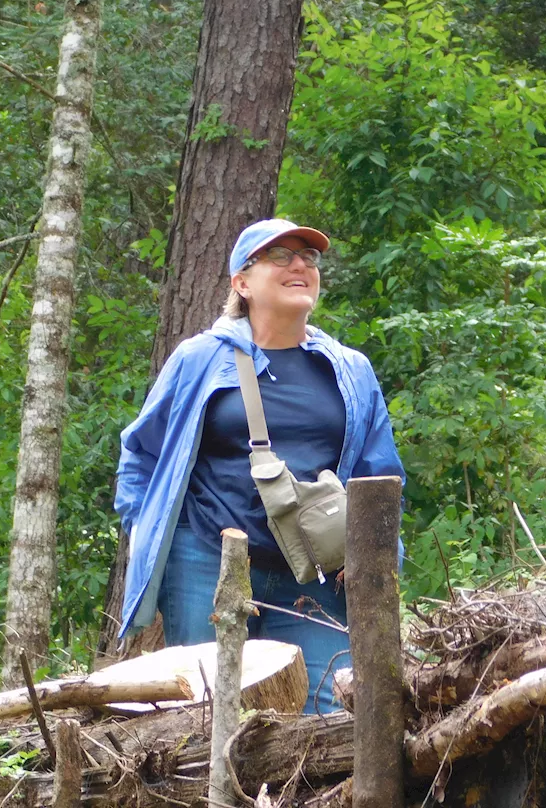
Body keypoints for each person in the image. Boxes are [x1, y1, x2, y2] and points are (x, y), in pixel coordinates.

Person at [114, 218, 405, 713]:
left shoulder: (349, 369)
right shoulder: (199, 360)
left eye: (308, 258)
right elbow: (140, 454)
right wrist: (148, 528)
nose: (300, 265)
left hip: (313, 580)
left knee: (327, 713)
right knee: (206, 715)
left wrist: (371, 552)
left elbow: (380, 474)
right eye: (280, 256)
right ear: (242, 282)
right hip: (206, 564)